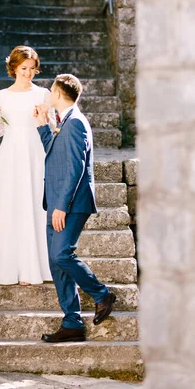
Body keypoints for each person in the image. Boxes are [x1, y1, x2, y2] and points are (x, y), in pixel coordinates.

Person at [34, 73, 116, 342]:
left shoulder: (76, 123)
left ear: (58, 93)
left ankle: (102, 294)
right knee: (55, 263)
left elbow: (75, 169)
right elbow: (54, 153)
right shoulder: (64, 121)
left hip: (69, 203)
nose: (48, 93)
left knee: (61, 255)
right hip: (56, 200)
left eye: (51, 90)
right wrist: (43, 126)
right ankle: (72, 322)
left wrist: (61, 206)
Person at [0, 46, 54, 285]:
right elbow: (1, 128)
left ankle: (32, 267)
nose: (28, 73)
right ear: (14, 67)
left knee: (34, 204)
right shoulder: (2, 95)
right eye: (24, 68)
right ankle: (10, 266)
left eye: (32, 69)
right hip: (10, 154)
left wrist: (42, 119)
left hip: (35, 153)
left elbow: (52, 127)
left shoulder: (43, 94)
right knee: (12, 205)